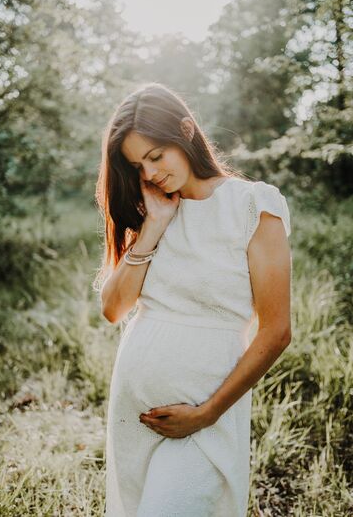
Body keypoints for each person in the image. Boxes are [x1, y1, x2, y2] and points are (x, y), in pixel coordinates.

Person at [94, 82, 292, 517]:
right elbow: (112, 309)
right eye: (136, 165)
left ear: (185, 130)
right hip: (134, 413)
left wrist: (207, 414)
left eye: (155, 156)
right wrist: (155, 227)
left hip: (203, 415)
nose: (148, 174)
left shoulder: (252, 205)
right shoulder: (155, 207)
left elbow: (277, 332)